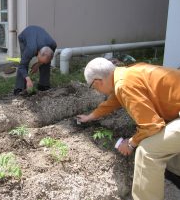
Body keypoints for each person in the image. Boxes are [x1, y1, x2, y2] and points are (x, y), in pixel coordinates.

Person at [77, 57, 180, 199]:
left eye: (93, 87)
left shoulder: (124, 85)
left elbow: (151, 126)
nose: (97, 91)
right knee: (164, 145)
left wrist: (131, 143)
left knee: (147, 151)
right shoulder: (127, 73)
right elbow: (114, 100)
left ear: (97, 82)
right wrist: (91, 116)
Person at [13, 25, 57, 95]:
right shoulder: (31, 49)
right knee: (24, 62)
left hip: (37, 35)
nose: (41, 63)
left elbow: (45, 59)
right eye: (41, 60)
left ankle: (43, 85)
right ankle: (19, 88)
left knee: (46, 62)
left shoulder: (52, 45)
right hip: (25, 36)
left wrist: (38, 64)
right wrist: (28, 79)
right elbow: (22, 66)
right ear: (38, 53)